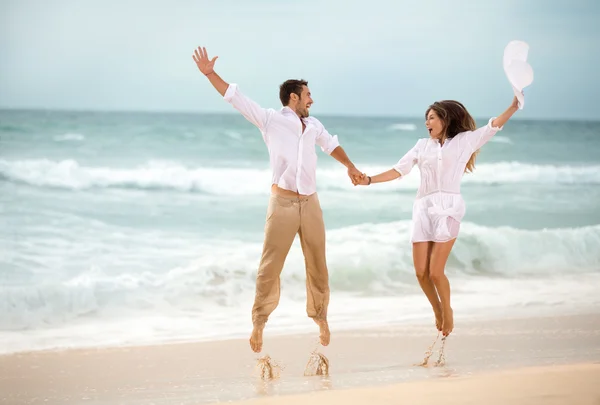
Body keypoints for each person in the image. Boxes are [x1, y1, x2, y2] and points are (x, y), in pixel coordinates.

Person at [192, 46, 364, 353]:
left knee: (318, 265)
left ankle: (321, 317)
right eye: (308, 94)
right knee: (270, 266)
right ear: (293, 97)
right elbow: (235, 97)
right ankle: (259, 323)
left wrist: (350, 167)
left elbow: (331, 146)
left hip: (310, 203)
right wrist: (210, 74)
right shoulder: (270, 120)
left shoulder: (313, 125)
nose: (312, 99)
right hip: (282, 204)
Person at [356, 97, 520, 336]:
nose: (427, 123)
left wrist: (514, 107)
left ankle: (448, 311)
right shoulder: (422, 145)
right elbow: (399, 169)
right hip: (423, 209)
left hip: (449, 209)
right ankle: (437, 309)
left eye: (432, 117)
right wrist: (369, 180)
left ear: (445, 118)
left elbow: (493, 126)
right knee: (420, 272)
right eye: (426, 118)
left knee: (435, 272)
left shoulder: (465, 141)